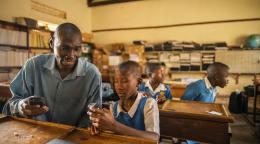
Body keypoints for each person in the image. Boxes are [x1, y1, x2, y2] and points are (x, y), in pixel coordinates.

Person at [2, 23, 102, 127]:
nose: (71, 55)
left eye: (76, 49)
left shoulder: (92, 75)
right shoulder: (33, 66)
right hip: (34, 134)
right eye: (64, 48)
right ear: (51, 43)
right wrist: (21, 106)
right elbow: (10, 104)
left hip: (73, 138)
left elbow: (92, 118)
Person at [88, 61, 160, 141]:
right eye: (116, 81)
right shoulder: (113, 107)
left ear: (138, 82)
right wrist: (101, 127)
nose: (119, 87)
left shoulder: (148, 104)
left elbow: (154, 137)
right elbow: (113, 133)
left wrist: (115, 126)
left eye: (125, 81)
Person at [181, 62, 229, 144]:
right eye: (226, 77)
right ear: (217, 77)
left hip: (204, 122)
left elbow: (210, 106)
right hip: (192, 127)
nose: (228, 80)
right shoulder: (196, 86)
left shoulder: (214, 88)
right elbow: (181, 107)